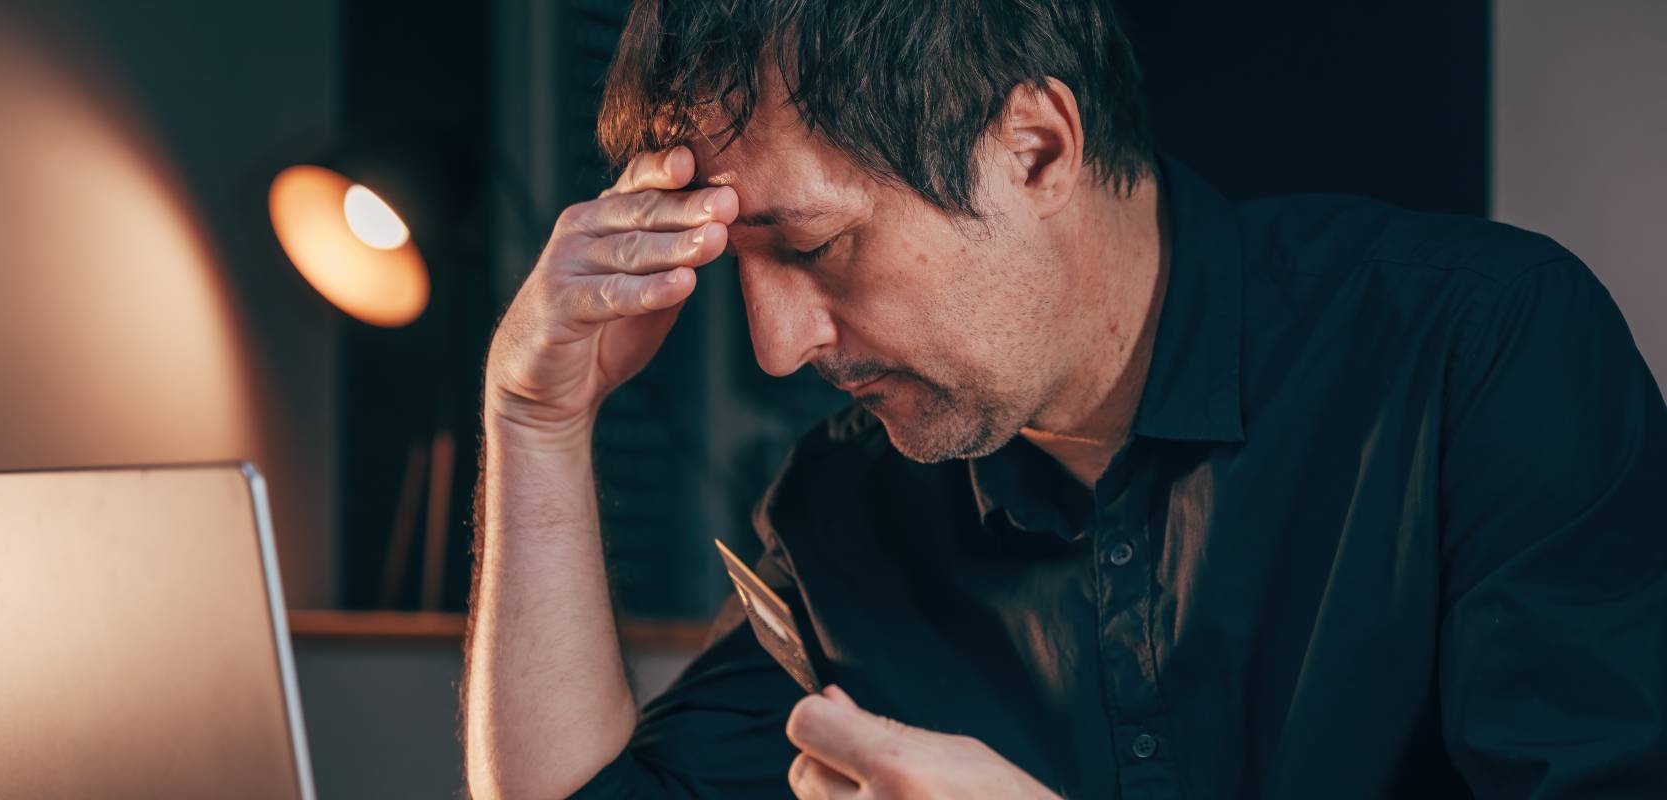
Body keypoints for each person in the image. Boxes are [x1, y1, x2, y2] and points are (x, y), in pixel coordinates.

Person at [463, 1, 1667, 797]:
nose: (776, 349)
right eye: (740, 269)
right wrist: (535, 420)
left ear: (1035, 147)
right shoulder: (843, 504)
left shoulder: (1483, 350)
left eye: (818, 246)